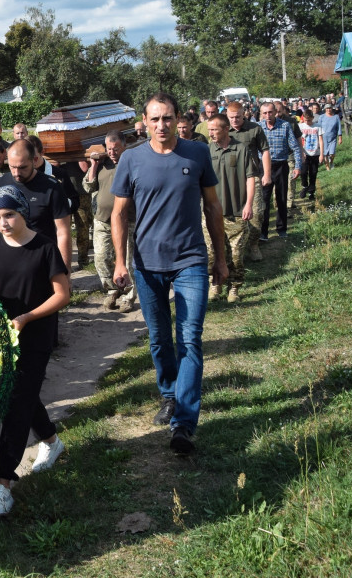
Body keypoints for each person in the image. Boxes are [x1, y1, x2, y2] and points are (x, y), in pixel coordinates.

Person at [111, 93, 227, 455]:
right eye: (155, 119)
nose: (162, 125)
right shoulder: (131, 159)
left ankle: (184, 423)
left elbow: (212, 205)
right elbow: (118, 214)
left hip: (191, 260)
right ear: (144, 122)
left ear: (178, 119)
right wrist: (120, 261)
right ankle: (168, 395)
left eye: (168, 118)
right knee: (160, 338)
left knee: (190, 339)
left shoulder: (197, 154)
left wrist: (221, 258)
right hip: (147, 265)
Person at [0, 185, 70, 519]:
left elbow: (63, 294)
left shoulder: (45, 247)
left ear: (22, 213)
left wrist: (28, 317)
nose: (3, 223)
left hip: (36, 335)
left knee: (16, 403)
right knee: (21, 395)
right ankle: (51, 440)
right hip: (2, 338)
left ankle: (3, 484)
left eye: (9, 215)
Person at [0, 139, 72, 273]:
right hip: (8, 261)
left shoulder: (52, 187)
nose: (16, 173)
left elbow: (63, 232)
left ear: (34, 160)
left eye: (22, 167)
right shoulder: (0, 183)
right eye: (12, 167)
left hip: (42, 262)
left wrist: (65, 272)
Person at [206, 114, 257, 303]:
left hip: (236, 212)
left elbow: (250, 177)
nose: (210, 133)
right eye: (209, 129)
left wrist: (249, 204)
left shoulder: (241, 149)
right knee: (211, 254)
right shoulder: (207, 150)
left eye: (214, 129)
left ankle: (234, 288)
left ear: (226, 129)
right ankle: (215, 284)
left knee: (236, 255)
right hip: (211, 214)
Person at [83, 132, 136, 311]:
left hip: (128, 221)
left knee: (129, 261)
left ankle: (128, 295)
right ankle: (112, 290)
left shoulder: (132, 163)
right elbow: (88, 187)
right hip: (102, 220)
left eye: (116, 148)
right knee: (101, 257)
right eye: (109, 148)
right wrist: (94, 166)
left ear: (124, 147)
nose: (112, 152)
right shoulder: (101, 164)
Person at [226, 101, 271, 263]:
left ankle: (253, 244)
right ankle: (235, 247)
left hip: (252, 176)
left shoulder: (254, 129)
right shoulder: (224, 131)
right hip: (230, 179)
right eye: (231, 117)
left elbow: (264, 151)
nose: (234, 120)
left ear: (244, 114)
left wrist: (267, 174)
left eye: (237, 117)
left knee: (257, 213)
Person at [258, 102, 301, 241]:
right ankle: (263, 232)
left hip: (281, 165)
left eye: (270, 112)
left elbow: (295, 147)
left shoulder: (285, 125)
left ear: (275, 112)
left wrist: (298, 166)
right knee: (264, 200)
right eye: (264, 113)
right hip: (263, 166)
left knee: (281, 198)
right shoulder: (258, 127)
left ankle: (281, 228)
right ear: (261, 114)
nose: (268, 116)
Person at [298, 109, 324, 201]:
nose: (307, 122)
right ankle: (305, 186)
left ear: (313, 118)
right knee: (304, 172)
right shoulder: (300, 127)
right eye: (305, 120)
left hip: (315, 153)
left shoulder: (318, 126)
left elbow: (321, 140)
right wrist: (301, 153)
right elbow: (299, 140)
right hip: (304, 153)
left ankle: (311, 192)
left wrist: (322, 154)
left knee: (313, 173)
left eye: (309, 120)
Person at [321, 105, 342, 170]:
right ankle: (327, 167)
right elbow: (318, 127)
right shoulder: (322, 117)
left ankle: (331, 162)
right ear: (325, 109)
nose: (328, 109)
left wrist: (340, 137)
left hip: (333, 137)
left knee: (332, 153)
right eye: (327, 108)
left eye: (330, 108)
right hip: (324, 138)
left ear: (331, 109)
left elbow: (339, 127)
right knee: (325, 154)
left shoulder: (336, 117)